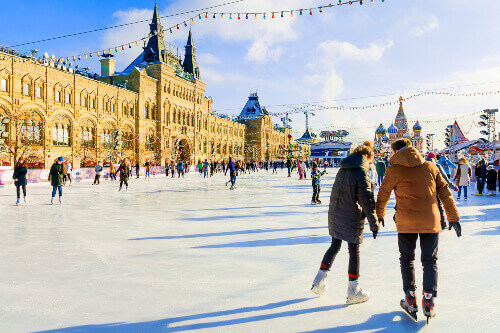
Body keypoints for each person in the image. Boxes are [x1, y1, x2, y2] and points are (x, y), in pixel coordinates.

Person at [376, 139, 460, 321]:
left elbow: (383, 194)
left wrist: (379, 214)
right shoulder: (430, 167)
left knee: (407, 259)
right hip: (430, 220)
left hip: (405, 222)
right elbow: (444, 193)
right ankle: (429, 301)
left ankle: (410, 298)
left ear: (395, 151)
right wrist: (453, 217)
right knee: (430, 261)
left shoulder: (394, 170)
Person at [311, 145, 379, 305]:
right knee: (354, 249)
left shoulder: (343, 169)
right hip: (351, 215)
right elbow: (366, 200)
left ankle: (319, 281)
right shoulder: (361, 171)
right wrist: (374, 222)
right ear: (367, 157)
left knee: (334, 245)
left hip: (336, 213)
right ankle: (353, 290)